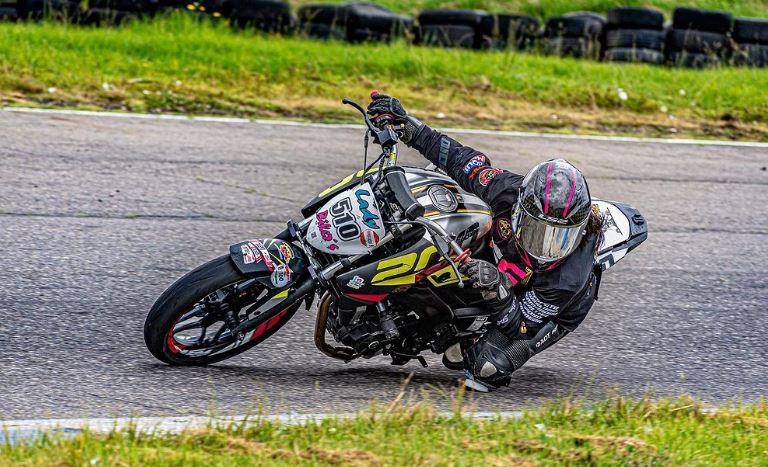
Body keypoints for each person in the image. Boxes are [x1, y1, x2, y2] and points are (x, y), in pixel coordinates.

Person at [366, 93, 604, 392]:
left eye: (559, 236)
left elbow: (519, 324)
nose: (545, 246)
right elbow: (461, 160)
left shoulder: (566, 279)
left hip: (547, 310)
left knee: (485, 366)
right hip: (504, 263)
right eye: (537, 230)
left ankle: (472, 341)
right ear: (520, 210)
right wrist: (409, 127)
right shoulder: (508, 191)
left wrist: (497, 287)